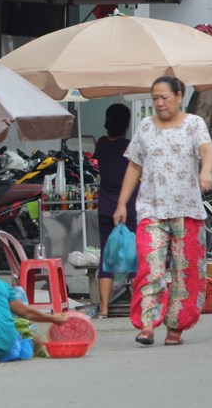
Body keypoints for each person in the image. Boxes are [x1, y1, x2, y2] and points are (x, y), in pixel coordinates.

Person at [114, 76, 212, 347]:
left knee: (186, 271)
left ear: (179, 96)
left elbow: (207, 149)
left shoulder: (194, 124)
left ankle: (176, 327)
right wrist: (122, 203)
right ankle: (147, 325)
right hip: (151, 209)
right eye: (155, 98)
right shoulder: (145, 127)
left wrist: (206, 171)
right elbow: (134, 166)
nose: (159, 103)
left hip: (187, 209)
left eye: (164, 97)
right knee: (150, 267)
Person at [93, 103, 138, 319]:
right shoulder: (130, 146)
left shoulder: (101, 144)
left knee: (106, 257)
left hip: (105, 208)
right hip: (129, 208)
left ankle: (103, 308)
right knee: (135, 255)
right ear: (127, 123)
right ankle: (138, 304)